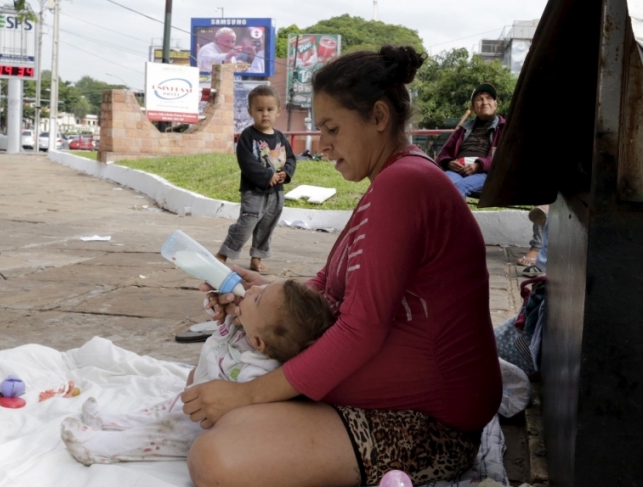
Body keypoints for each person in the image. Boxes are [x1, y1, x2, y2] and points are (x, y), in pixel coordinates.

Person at [182, 45, 502, 487]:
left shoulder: (405, 184)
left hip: (426, 424)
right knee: (209, 381)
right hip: (381, 399)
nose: (323, 144)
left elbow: (360, 329)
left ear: (378, 117)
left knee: (217, 458)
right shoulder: (389, 182)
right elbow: (332, 287)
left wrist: (247, 396)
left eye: (331, 128)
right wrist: (260, 295)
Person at [59, 279, 334, 466]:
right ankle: (117, 421)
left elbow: (246, 413)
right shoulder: (244, 328)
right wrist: (217, 300)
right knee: (161, 410)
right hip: (191, 397)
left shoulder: (260, 372)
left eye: (258, 297)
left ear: (261, 342)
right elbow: (220, 319)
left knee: (161, 434)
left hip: (201, 424)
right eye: (261, 286)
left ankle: (101, 448)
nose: (251, 290)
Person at [215, 85, 295, 273]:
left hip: (276, 193)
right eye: (259, 110)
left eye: (270, 109)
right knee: (246, 224)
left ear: (278, 111)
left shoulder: (281, 138)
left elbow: (290, 158)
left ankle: (256, 258)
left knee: (267, 226)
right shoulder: (248, 136)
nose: (265, 114)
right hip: (254, 192)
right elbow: (247, 162)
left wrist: (287, 173)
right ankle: (224, 253)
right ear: (251, 111)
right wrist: (268, 175)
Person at [436, 83, 506, 199]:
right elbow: (443, 154)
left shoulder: (504, 128)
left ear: (495, 105)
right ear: (473, 108)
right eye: (479, 99)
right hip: (458, 169)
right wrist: (448, 162)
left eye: (489, 98)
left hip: (485, 172)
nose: (484, 102)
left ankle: (453, 217)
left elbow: (503, 157)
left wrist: (479, 165)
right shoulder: (463, 129)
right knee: (441, 185)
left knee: (459, 187)